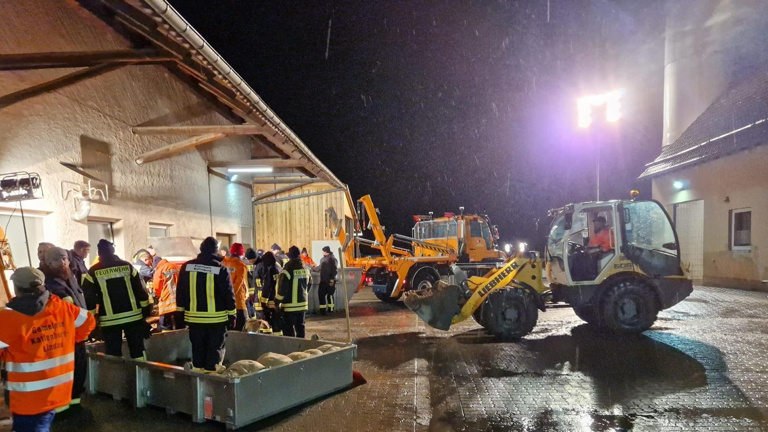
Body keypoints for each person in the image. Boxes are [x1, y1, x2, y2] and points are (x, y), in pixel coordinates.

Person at [1, 267, 95, 432]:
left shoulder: (7, 318)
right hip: (58, 391)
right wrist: (67, 339)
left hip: (27, 398)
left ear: (16, 288)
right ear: (42, 285)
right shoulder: (61, 307)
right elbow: (88, 321)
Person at [82, 240, 152, 361]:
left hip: (109, 321)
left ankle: (116, 377)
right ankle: (142, 377)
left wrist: (93, 322)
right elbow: (141, 291)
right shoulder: (127, 266)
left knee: (113, 353)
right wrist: (144, 316)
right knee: (138, 350)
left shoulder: (92, 272)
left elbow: (89, 299)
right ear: (113, 251)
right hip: (133, 318)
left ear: (99, 253)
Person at [176, 237, 236, 373]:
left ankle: (198, 381)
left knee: (197, 350)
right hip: (216, 320)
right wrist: (232, 315)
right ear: (215, 251)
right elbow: (228, 294)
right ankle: (212, 383)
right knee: (214, 352)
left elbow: (180, 291)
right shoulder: (221, 269)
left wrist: (180, 313)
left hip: (194, 320)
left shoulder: (187, 267)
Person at [42, 247, 89, 413]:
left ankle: (74, 404)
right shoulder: (48, 284)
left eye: (64, 259)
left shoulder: (70, 278)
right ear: (48, 263)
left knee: (79, 371)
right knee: (64, 374)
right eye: (57, 260)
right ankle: (61, 409)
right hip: (61, 339)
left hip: (77, 337)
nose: (62, 262)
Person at [275, 246, 311, 338]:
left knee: (288, 330)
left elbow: (282, 288)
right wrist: (303, 295)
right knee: (300, 327)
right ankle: (301, 348)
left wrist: (277, 302)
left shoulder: (287, 269)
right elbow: (310, 283)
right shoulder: (305, 268)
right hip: (302, 304)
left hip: (289, 307)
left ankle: (291, 349)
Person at [221, 243, 249, 332]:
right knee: (239, 330)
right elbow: (237, 284)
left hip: (223, 305)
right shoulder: (241, 266)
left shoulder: (222, 263)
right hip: (238, 304)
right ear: (241, 254)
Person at [154, 258, 184, 331]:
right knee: (180, 326)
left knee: (165, 327)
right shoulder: (176, 266)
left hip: (166, 304)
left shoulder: (159, 270)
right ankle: (181, 341)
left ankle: (167, 341)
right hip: (179, 302)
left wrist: (158, 296)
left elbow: (157, 287)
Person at [257, 251, 281, 335]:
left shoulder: (270, 269)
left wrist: (263, 301)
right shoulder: (279, 267)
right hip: (279, 299)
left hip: (271, 300)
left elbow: (267, 286)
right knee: (278, 322)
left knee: (272, 321)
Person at [314, 246, 338, 315]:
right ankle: (323, 310)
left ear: (325, 251)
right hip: (324, 280)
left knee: (329, 295)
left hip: (329, 280)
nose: (322, 252)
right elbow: (320, 268)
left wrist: (332, 279)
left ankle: (330, 310)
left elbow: (334, 270)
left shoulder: (331, 259)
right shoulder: (325, 259)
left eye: (323, 251)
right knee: (321, 294)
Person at [244, 248, 259, 318]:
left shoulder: (244, 263)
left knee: (250, 307)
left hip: (248, 289)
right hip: (256, 289)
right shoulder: (258, 264)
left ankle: (252, 321)